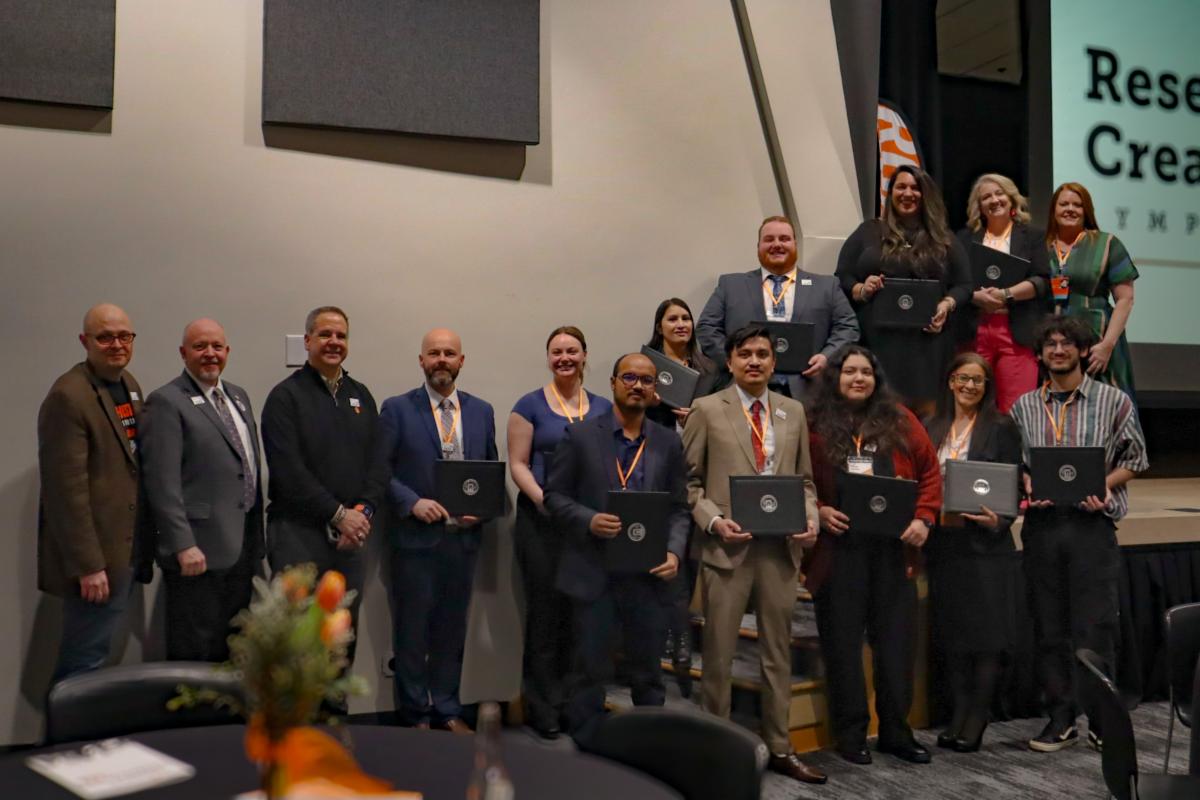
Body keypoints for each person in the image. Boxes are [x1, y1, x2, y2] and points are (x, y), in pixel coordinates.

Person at [681, 324, 826, 785]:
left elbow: (805, 482)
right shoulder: (707, 409)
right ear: (730, 361)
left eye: (763, 353)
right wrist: (713, 521)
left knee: (777, 656)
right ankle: (715, 750)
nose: (755, 361)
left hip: (780, 551)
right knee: (719, 656)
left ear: (773, 360)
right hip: (728, 547)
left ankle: (780, 747)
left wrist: (811, 518)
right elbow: (688, 484)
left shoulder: (792, 411)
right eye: (745, 354)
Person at [1008, 315, 1147, 752]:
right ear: (1040, 353)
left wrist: (1104, 485)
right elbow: (1018, 464)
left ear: (1084, 350)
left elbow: (1137, 458)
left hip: (1092, 526)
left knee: (1096, 628)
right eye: (1050, 344)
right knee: (1048, 627)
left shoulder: (1113, 400)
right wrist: (1028, 483)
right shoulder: (1023, 407)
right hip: (1044, 526)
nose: (1058, 350)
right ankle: (1061, 719)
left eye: (1067, 343)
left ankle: (1103, 721)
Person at [806, 345, 942, 765]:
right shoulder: (813, 424)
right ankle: (850, 734)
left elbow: (930, 473)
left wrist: (924, 518)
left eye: (866, 372)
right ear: (836, 377)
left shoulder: (901, 419)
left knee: (896, 647)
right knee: (843, 648)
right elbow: (798, 478)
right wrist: (819, 510)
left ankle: (896, 732)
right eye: (850, 371)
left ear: (876, 379)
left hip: (893, 553)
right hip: (839, 553)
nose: (858, 378)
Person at [543, 353, 689, 741]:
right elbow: (554, 496)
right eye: (629, 377)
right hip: (594, 572)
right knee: (589, 670)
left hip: (648, 575)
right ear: (612, 383)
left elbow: (679, 507)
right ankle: (586, 746)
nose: (638, 385)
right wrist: (588, 519)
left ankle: (648, 744)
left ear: (655, 390)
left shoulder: (668, 443)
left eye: (646, 380)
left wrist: (674, 551)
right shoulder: (580, 436)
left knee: (648, 673)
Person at [378, 328, 498, 733]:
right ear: (422, 361)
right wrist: (412, 502)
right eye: (434, 353)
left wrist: (482, 511)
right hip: (415, 540)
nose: (441, 360)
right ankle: (415, 715)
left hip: (462, 543)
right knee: (412, 632)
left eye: (449, 353)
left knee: (451, 631)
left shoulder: (481, 411)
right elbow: (379, 471)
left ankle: (447, 709)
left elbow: (490, 473)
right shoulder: (397, 409)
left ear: (461, 361)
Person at [260, 306, 387, 668]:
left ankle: (336, 707)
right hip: (298, 537)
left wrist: (362, 512)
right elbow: (288, 470)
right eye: (325, 334)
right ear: (307, 341)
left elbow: (378, 464)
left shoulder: (361, 395)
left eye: (341, 336)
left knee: (341, 641)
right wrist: (338, 515)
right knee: (297, 642)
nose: (334, 342)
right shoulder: (285, 397)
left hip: (351, 541)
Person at [38, 303, 154, 683]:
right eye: (105, 337)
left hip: (125, 550)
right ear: (84, 341)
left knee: (98, 656)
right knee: (82, 663)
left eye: (124, 336)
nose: (117, 345)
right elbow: (65, 492)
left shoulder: (128, 384)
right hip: (97, 561)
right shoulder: (69, 396)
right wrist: (88, 565)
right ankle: (63, 724)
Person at [507, 326, 612, 739]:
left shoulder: (603, 407)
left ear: (585, 355)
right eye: (557, 351)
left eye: (572, 350)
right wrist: (545, 501)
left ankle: (575, 705)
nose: (564, 357)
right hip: (542, 524)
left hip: (586, 527)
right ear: (548, 358)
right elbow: (518, 463)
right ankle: (543, 708)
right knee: (545, 616)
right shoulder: (529, 405)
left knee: (581, 618)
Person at [141, 318, 263, 662]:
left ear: (227, 351)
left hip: (241, 547)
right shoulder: (166, 401)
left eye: (217, 346)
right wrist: (183, 544)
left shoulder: (238, 396)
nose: (210, 353)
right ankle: (193, 705)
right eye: (200, 347)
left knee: (233, 649)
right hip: (197, 552)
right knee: (194, 653)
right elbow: (161, 483)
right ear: (183, 353)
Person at [922, 353, 1022, 752]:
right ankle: (959, 713)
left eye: (977, 380)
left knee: (985, 638)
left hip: (986, 548)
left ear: (986, 387)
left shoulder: (1001, 427)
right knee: (954, 635)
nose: (969, 386)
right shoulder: (932, 425)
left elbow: (1013, 485)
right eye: (962, 378)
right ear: (950, 381)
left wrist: (998, 519)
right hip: (944, 546)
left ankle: (977, 718)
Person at [835, 166, 973, 412]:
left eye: (915, 188)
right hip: (877, 343)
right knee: (877, 413)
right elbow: (843, 276)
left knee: (925, 418)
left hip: (927, 347)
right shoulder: (869, 232)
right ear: (891, 193)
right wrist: (861, 289)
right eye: (901, 187)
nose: (907, 193)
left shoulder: (943, 238)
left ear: (925, 194)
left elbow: (965, 285)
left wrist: (946, 304)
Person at [642, 297, 717, 696]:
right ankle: (677, 637)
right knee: (667, 557)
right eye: (672, 318)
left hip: (699, 472)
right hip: (658, 470)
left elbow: (724, 414)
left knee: (690, 558)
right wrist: (651, 402)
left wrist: (698, 415)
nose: (681, 324)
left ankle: (682, 633)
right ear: (660, 326)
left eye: (686, 317)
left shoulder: (711, 370)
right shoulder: (646, 368)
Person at [697, 215, 859, 399]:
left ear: (795, 245)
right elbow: (706, 327)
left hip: (807, 390)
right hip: (744, 389)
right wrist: (734, 360)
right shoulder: (731, 285)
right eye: (769, 239)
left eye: (784, 239)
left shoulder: (826, 286)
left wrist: (826, 357)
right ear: (758, 246)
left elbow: (849, 327)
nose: (777, 244)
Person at [956, 173, 1052, 411]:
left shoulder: (1032, 236)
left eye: (999, 193)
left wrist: (1006, 294)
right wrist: (974, 296)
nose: (994, 200)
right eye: (986, 197)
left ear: (1011, 199)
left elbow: (1042, 281)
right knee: (971, 406)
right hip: (975, 330)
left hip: (1016, 332)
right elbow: (954, 282)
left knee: (1015, 409)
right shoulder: (964, 239)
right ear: (979, 206)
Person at [1044, 182, 1139, 398]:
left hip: (1097, 340)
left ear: (1086, 210)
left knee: (1108, 403)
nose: (1070, 209)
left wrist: (1107, 345)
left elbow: (1125, 299)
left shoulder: (1107, 243)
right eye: (1064, 204)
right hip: (1052, 343)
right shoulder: (1041, 246)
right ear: (1053, 209)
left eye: (1077, 205)